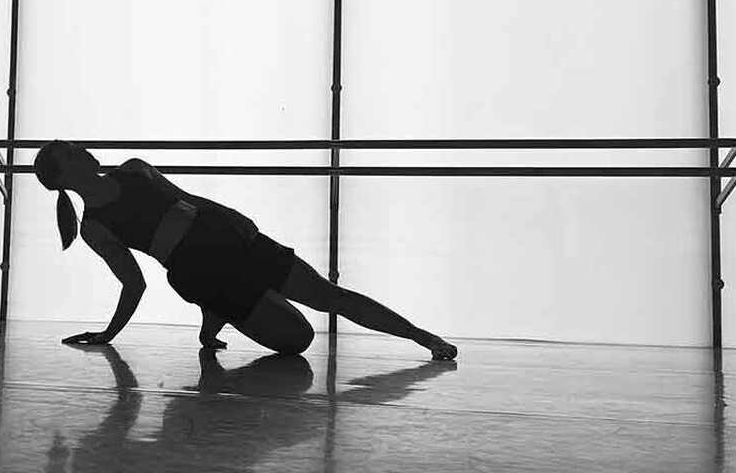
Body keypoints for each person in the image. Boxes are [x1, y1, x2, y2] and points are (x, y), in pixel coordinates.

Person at [33, 140, 458, 361]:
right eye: (69, 154)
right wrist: (109, 334)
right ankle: (213, 315)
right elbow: (134, 284)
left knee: (330, 297)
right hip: (200, 274)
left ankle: (422, 337)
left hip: (228, 239)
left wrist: (235, 216)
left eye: (74, 146)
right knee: (299, 341)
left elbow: (187, 198)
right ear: (61, 179)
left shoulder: (134, 169)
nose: (80, 149)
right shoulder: (94, 227)